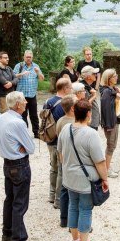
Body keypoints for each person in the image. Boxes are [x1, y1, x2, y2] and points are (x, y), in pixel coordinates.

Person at [57, 99, 109, 241]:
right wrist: (105, 179)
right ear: (88, 114)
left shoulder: (66, 128)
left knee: (73, 206)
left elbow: (60, 154)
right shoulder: (91, 134)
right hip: (85, 180)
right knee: (85, 209)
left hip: (69, 178)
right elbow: (99, 161)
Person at [0, 91, 38, 241]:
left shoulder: (3, 117)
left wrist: (21, 145)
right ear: (18, 104)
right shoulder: (18, 122)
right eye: (24, 101)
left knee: (10, 200)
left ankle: (7, 234)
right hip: (19, 164)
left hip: (7, 163)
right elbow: (31, 147)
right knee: (19, 204)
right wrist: (22, 146)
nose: (27, 102)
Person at [44, 78, 72, 207]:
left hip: (49, 138)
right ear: (65, 88)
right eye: (70, 87)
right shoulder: (64, 104)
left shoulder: (48, 101)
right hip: (59, 141)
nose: (71, 90)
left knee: (53, 168)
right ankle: (58, 199)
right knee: (61, 170)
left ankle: (51, 194)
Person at [55, 94, 78, 228]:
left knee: (64, 189)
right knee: (74, 192)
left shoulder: (60, 121)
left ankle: (64, 219)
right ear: (72, 108)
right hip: (71, 160)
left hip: (63, 159)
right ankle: (73, 222)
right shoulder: (71, 123)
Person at [13, 50, 45, 135]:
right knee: (22, 115)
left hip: (32, 95)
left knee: (34, 115)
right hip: (21, 96)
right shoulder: (19, 65)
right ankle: (24, 133)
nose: (28, 59)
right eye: (27, 57)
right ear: (24, 57)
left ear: (32, 58)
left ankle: (36, 132)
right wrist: (22, 74)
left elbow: (42, 79)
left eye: (30, 57)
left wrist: (38, 72)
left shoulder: (36, 66)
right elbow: (12, 76)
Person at [98, 69, 120, 179]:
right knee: (111, 146)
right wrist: (109, 125)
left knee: (112, 145)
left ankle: (107, 167)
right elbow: (106, 110)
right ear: (109, 79)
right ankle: (106, 170)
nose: (117, 77)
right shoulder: (107, 92)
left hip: (114, 121)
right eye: (114, 76)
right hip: (111, 123)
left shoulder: (112, 90)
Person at [79, 65, 101, 130]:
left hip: (91, 120)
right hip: (89, 122)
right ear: (88, 77)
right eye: (94, 74)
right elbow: (84, 106)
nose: (96, 75)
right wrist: (94, 96)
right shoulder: (83, 89)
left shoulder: (88, 86)